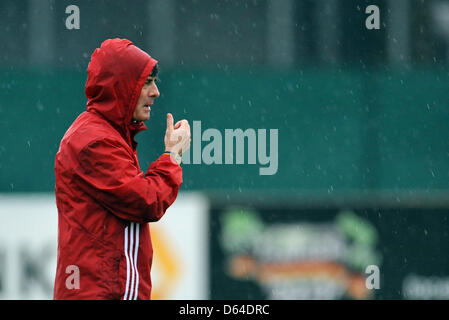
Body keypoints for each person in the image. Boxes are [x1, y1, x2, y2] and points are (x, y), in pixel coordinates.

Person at [53, 38, 191, 300]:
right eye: (147, 82)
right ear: (122, 86)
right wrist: (173, 156)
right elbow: (147, 201)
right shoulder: (95, 141)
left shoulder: (107, 134)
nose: (156, 92)